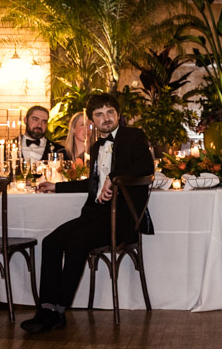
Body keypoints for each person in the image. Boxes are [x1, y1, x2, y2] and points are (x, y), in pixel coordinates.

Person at [20, 93, 154, 334]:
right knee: (51, 242)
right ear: (92, 120)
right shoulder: (96, 146)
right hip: (94, 215)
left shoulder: (133, 136)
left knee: (77, 244)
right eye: (99, 114)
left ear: (117, 114)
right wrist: (56, 186)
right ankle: (46, 308)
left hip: (121, 218)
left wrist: (113, 179)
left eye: (110, 112)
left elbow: (146, 167)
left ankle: (59, 312)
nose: (106, 118)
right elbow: (92, 184)